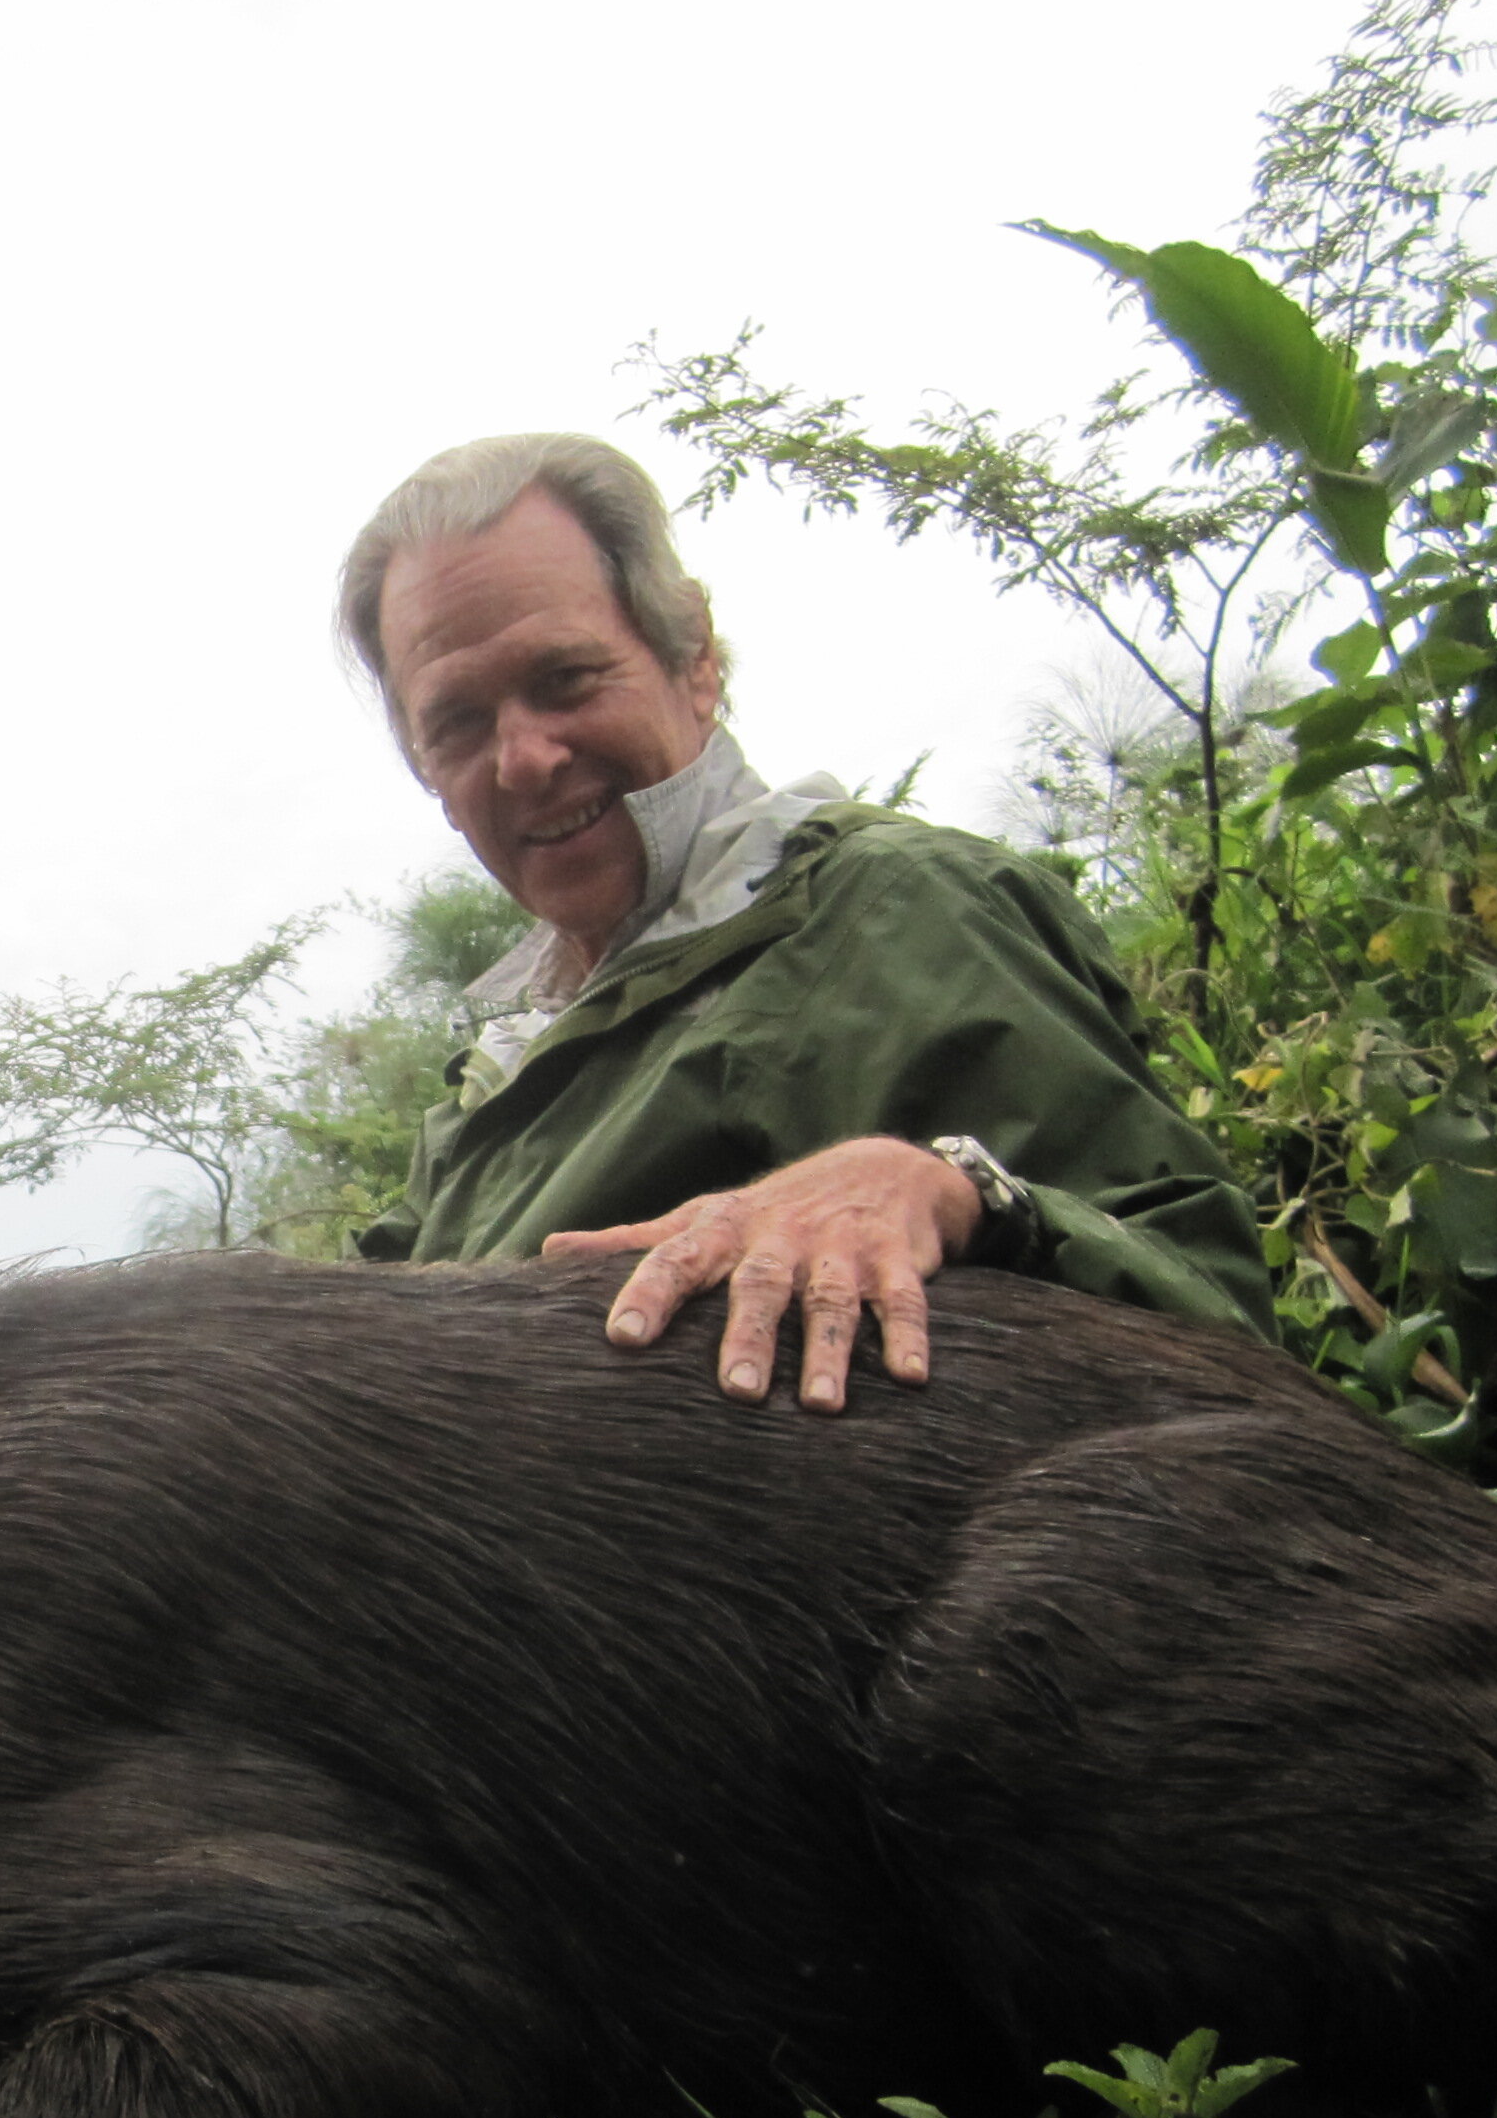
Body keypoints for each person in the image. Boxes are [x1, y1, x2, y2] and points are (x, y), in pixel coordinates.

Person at [338, 433, 1273, 1409]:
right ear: (427, 775)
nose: (523, 758)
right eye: (457, 724)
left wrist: (955, 1193)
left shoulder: (894, 912)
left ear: (691, 656)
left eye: (565, 680)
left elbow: (1220, 1338)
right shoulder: (491, 1085)